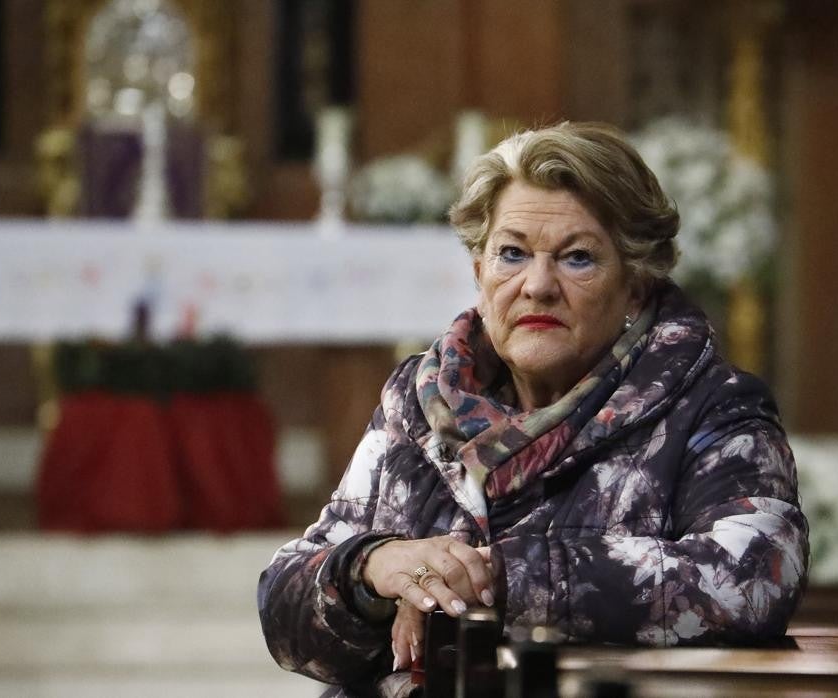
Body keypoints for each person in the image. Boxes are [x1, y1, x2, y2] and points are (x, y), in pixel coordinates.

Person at [257, 122, 809, 696]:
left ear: (637, 286)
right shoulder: (418, 401)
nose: (537, 285)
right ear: (479, 273)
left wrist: (497, 576)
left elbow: (753, 575)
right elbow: (284, 609)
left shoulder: (711, 407)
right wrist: (369, 571)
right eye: (512, 254)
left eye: (577, 259)